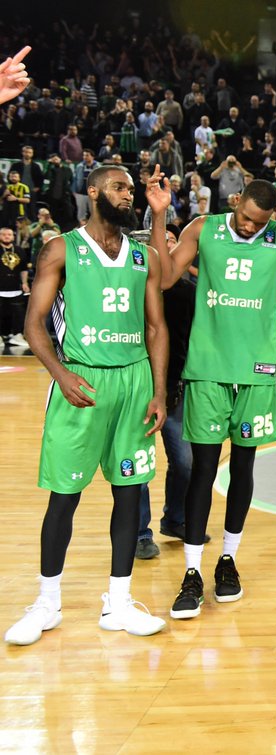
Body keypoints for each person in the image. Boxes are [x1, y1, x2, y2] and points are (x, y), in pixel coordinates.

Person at [148, 171, 276, 620]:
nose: (251, 227)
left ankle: (228, 560)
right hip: (208, 370)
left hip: (256, 372)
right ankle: (192, 571)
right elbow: (167, 276)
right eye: (247, 217)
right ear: (236, 202)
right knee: (203, 470)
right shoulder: (203, 228)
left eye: (260, 221)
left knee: (243, 469)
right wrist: (158, 217)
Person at [5, 165, 169, 645]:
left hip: (135, 382)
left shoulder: (143, 255)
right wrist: (61, 374)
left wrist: (159, 391)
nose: (127, 195)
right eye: (119, 188)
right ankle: (46, 603)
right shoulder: (61, 249)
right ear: (93, 192)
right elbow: (34, 324)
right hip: (82, 380)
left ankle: (118, 602)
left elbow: (156, 328)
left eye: (130, 190)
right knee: (64, 496)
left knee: (130, 492)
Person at [131, 225, 208, 559]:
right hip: (136, 391)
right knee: (137, 467)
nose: (164, 248)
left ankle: (175, 519)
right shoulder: (128, 290)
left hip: (176, 389)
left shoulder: (189, 292)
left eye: (170, 242)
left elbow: (198, 342)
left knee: (185, 463)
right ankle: (139, 533)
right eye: (156, 243)